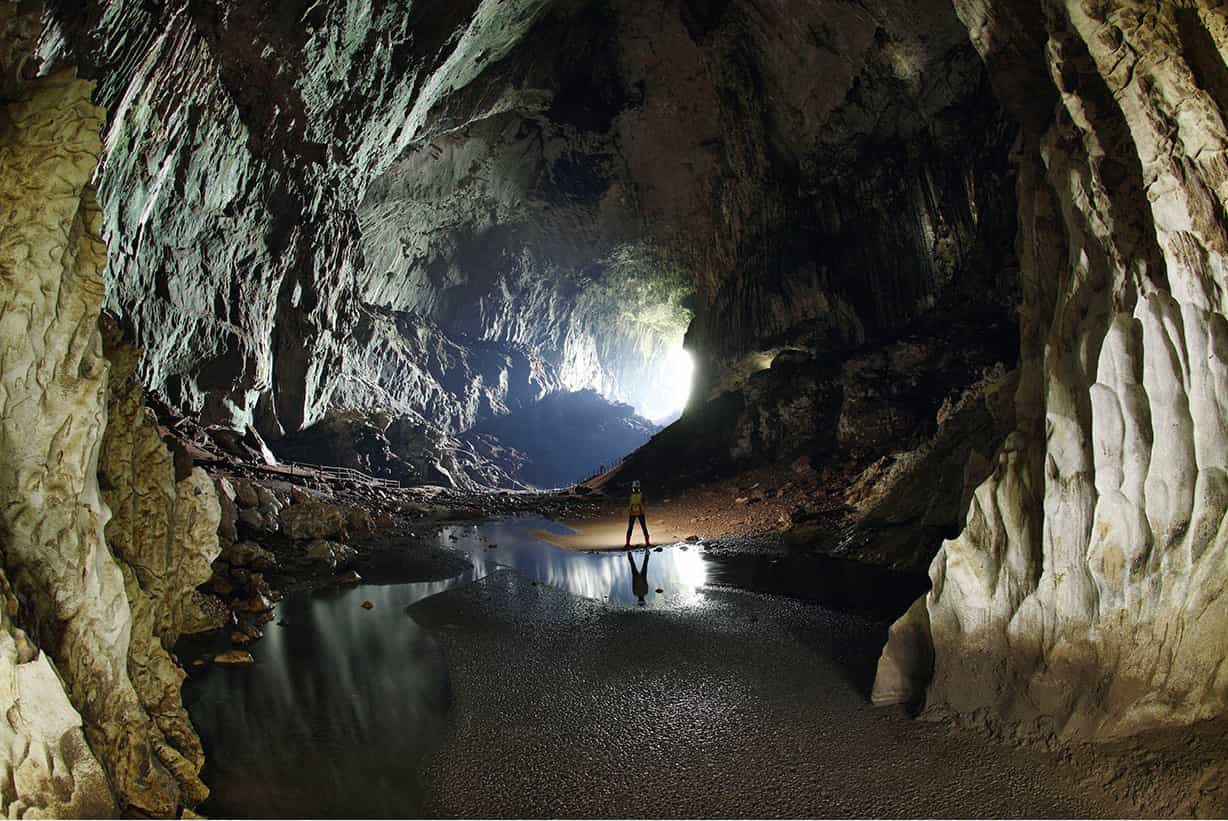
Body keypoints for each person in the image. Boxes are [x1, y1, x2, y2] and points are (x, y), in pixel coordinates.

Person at [625, 479, 650, 548]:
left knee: (631, 528)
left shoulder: (632, 495)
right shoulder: (640, 494)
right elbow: (644, 502)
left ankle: (627, 544)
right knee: (643, 528)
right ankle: (647, 543)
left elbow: (629, 502)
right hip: (637, 513)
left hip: (635, 513)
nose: (635, 489)